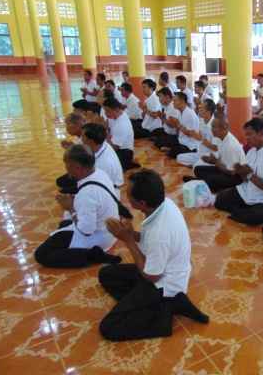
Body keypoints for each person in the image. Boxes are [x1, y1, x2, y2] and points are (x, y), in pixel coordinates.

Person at [99, 169, 209, 341]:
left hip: (164, 282)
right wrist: (129, 234)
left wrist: (128, 241)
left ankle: (168, 307)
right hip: (156, 265)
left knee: (109, 328)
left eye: (128, 194)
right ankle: (141, 304)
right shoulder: (162, 203)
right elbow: (148, 240)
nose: (125, 194)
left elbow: (153, 277)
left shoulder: (160, 234)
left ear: (142, 203)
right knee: (106, 274)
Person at [34, 144, 121, 268]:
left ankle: (90, 255)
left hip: (99, 238)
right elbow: (97, 200)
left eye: (66, 163)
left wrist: (70, 208)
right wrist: (76, 199)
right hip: (110, 232)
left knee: (42, 254)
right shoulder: (100, 173)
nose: (65, 167)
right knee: (64, 225)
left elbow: (86, 231)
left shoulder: (87, 194)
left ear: (76, 167)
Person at [214, 117, 263, 226]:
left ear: (261, 134)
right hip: (249, 191)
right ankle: (244, 211)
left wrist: (249, 174)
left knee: (255, 216)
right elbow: (246, 180)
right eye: (246, 134)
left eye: (249, 134)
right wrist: (241, 172)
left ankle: (244, 211)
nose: (246, 138)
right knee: (220, 200)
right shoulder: (251, 151)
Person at [183, 115, 245, 192]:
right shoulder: (220, 138)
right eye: (211, 126)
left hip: (235, 177)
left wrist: (215, 162)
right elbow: (221, 160)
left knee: (212, 179)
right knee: (198, 169)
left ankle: (201, 182)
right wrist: (210, 160)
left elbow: (232, 172)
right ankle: (203, 182)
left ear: (223, 128)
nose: (211, 129)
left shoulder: (231, 146)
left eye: (214, 127)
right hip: (224, 169)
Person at [81, 123, 124, 199]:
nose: (81, 139)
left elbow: (99, 187)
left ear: (91, 142)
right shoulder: (102, 145)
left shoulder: (104, 164)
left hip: (108, 193)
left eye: (83, 137)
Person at [177, 99, 218, 167]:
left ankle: (200, 164)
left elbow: (215, 147)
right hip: (201, 152)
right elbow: (200, 136)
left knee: (197, 166)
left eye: (201, 109)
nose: (199, 110)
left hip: (210, 154)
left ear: (208, 112)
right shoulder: (202, 121)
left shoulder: (214, 125)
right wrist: (195, 135)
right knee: (179, 157)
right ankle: (199, 163)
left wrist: (200, 139)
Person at [158, 92, 200, 159]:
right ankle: (172, 149)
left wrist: (178, 124)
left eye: (175, 101)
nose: (173, 103)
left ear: (182, 102)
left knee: (174, 153)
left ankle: (171, 149)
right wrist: (175, 124)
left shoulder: (190, 114)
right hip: (181, 140)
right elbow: (178, 133)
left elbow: (191, 134)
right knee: (160, 142)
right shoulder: (180, 113)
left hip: (190, 145)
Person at [102, 97, 140, 171]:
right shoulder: (117, 115)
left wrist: (105, 130)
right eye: (105, 111)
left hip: (124, 152)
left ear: (116, 110)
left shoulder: (122, 125)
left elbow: (113, 148)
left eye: (108, 111)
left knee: (103, 161)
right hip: (116, 147)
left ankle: (126, 164)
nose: (105, 113)